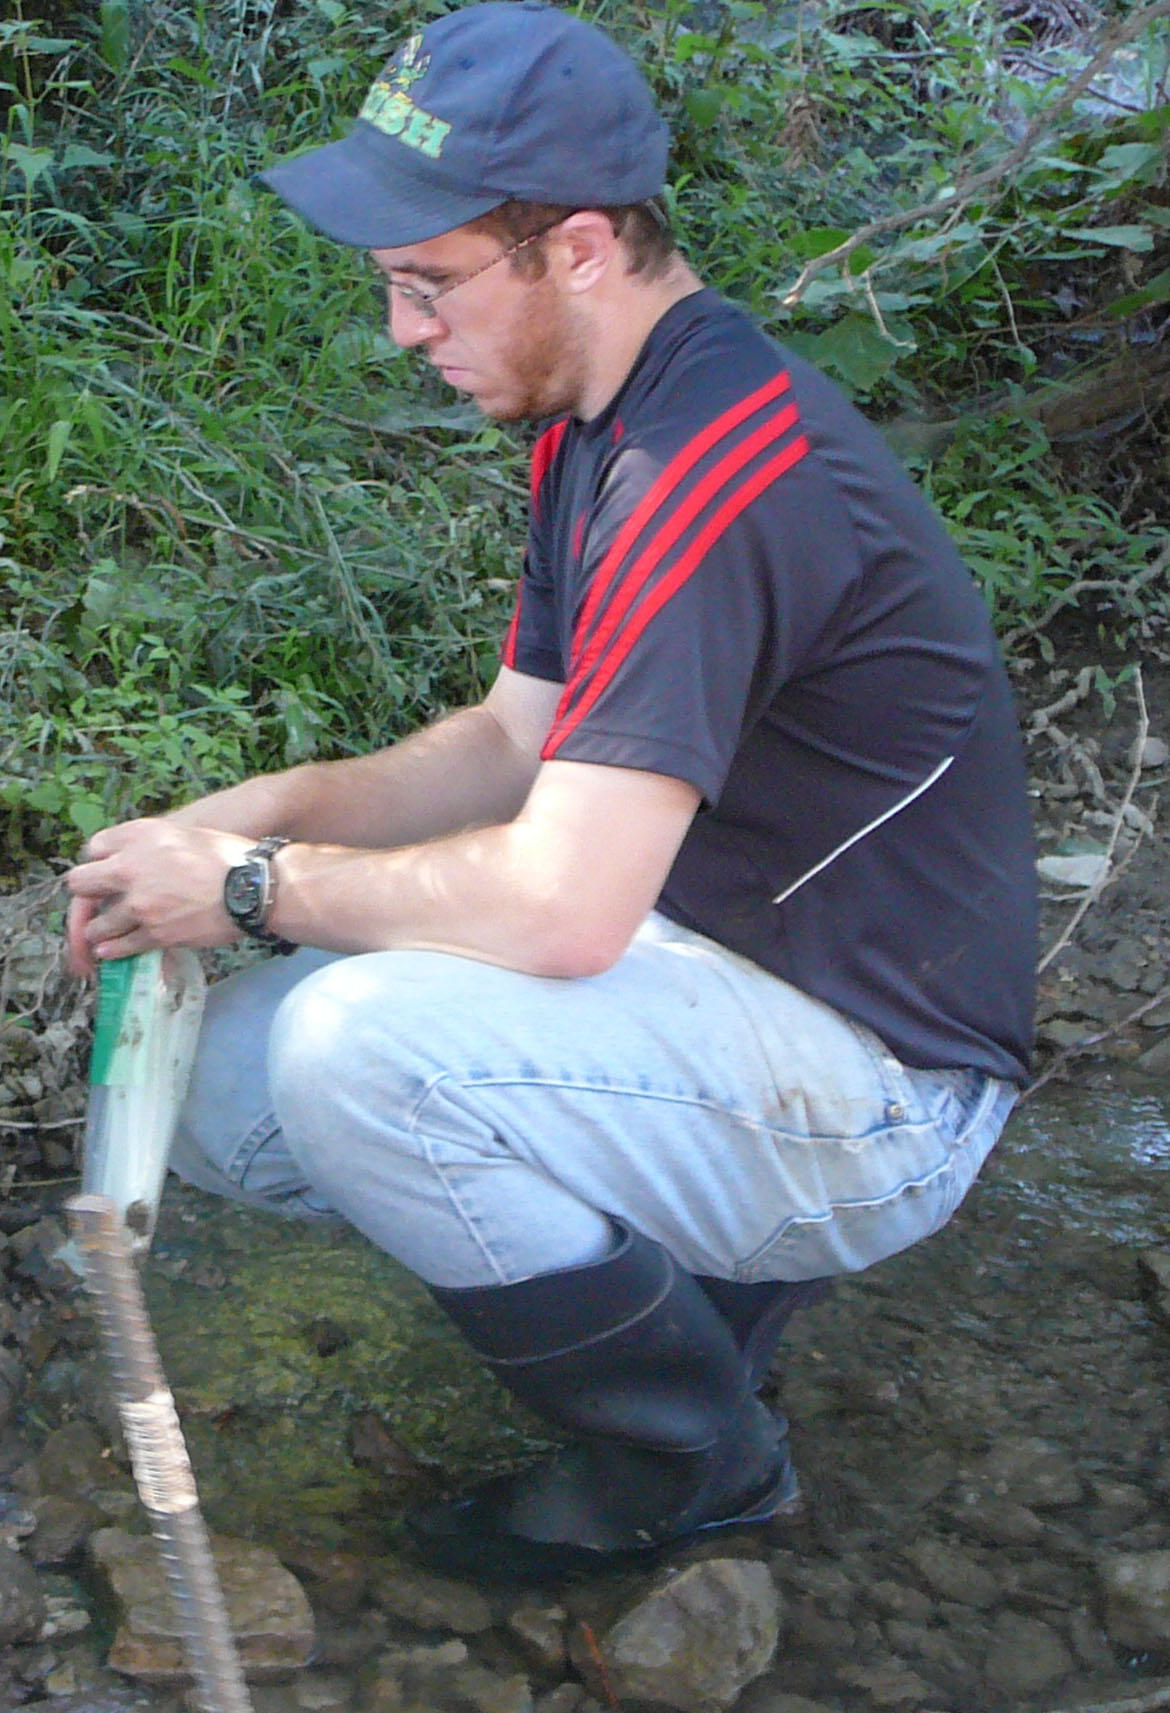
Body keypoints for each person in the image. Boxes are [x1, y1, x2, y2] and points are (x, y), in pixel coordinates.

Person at [65, 0, 1036, 1580]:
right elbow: (512, 739)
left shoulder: (710, 469)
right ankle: (687, 1286)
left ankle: (690, 1457)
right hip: (729, 973)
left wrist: (247, 892)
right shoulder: (602, 423)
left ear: (576, 249)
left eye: (427, 285)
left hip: (885, 1082)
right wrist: (256, 816)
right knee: (240, 1092)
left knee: (356, 1047)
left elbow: (565, 905)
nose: (401, 331)